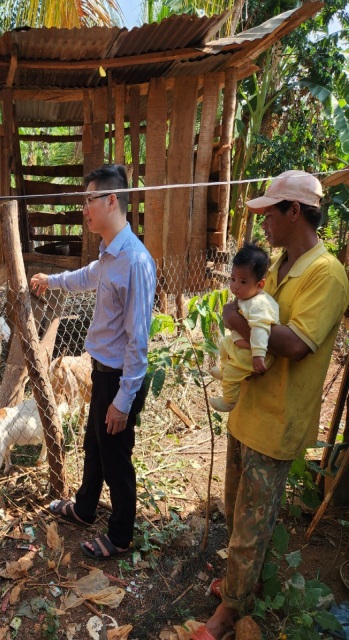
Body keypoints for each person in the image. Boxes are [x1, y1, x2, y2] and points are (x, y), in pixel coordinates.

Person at [193, 170, 349, 640]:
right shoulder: (276, 265)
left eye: (268, 212)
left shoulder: (327, 274)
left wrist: (237, 321)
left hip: (278, 421)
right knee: (236, 508)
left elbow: (297, 344)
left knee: (250, 526)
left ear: (294, 211)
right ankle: (245, 588)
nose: (262, 221)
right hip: (248, 412)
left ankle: (227, 617)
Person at [30, 164, 156, 559]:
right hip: (101, 373)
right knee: (94, 446)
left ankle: (120, 536)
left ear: (111, 200)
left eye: (89, 199)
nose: (84, 208)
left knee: (116, 459)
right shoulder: (109, 253)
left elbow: (138, 340)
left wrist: (124, 398)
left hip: (120, 378)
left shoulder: (135, 261)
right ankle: (85, 509)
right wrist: (51, 281)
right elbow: (87, 277)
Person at [209, 243, 279, 412]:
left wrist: (258, 355)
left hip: (252, 353)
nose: (235, 286)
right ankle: (224, 371)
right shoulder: (248, 297)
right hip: (243, 346)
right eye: (233, 279)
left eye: (243, 281)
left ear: (260, 285)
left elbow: (261, 330)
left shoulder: (258, 304)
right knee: (224, 343)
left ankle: (228, 402)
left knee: (233, 373)